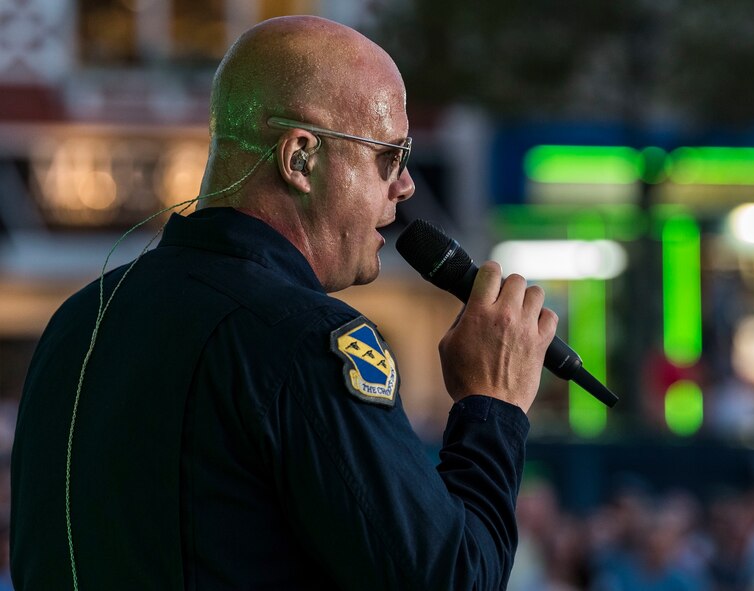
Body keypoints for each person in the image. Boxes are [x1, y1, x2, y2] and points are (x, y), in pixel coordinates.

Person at [10, 15, 557, 590]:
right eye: (388, 156)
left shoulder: (80, 318)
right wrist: (492, 407)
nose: (405, 185)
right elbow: (453, 580)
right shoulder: (305, 339)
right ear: (301, 158)